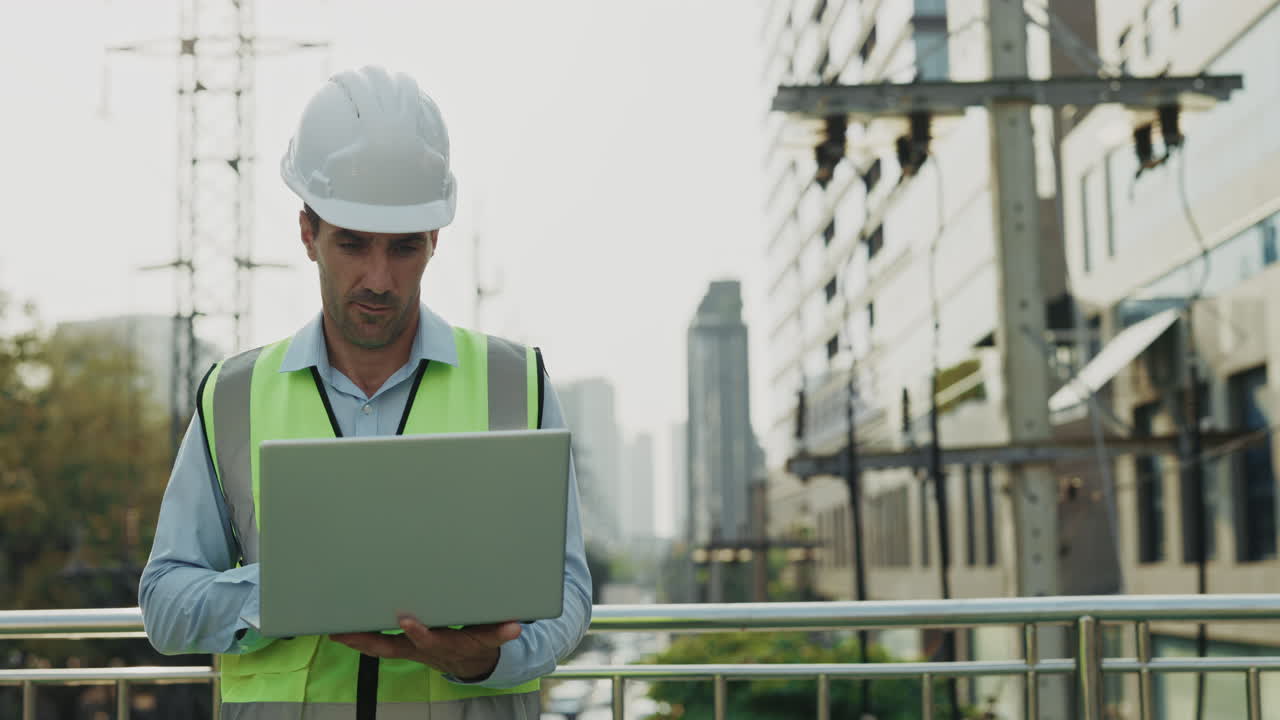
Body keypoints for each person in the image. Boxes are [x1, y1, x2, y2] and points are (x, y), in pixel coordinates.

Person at [139, 65, 592, 719]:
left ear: (435, 240)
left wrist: (489, 660)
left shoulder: (513, 382)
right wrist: (286, 594)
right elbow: (165, 604)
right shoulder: (234, 396)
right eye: (353, 244)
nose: (379, 278)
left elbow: (569, 590)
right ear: (307, 234)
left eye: (404, 248)